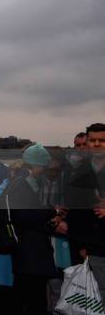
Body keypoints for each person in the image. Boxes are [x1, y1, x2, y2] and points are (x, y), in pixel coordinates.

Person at [5, 144, 64, 315]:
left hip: (27, 252)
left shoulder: (19, 181)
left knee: (30, 297)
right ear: (36, 165)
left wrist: (48, 221)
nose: (44, 171)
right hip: (31, 253)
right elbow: (24, 215)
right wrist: (52, 211)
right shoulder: (22, 184)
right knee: (35, 299)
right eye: (43, 167)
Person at [67, 123, 105, 299]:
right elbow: (74, 212)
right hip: (90, 248)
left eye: (102, 140)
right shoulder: (77, 172)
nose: (97, 144)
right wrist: (80, 245)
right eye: (93, 140)